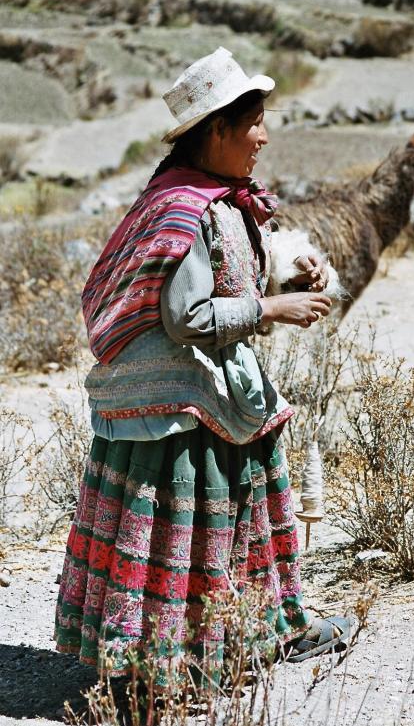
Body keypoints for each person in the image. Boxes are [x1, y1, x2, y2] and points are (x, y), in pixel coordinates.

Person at [54, 47, 353, 685]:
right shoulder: (182, 209)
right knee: (192, 519)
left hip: (203, 389)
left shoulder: (214, 199)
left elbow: (232, 269)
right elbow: (186, 317)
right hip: (180, 404)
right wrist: (272, 307)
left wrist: (289, 270)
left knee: (226, 512)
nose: (264, 137)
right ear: (216, 129)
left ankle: (248, 636)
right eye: (254, 123)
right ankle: (174, 660)